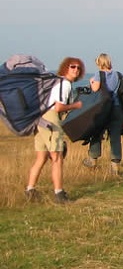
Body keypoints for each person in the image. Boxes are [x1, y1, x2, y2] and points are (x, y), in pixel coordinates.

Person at [25, 57, 85, 203]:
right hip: (51, 120)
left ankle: (30, 191)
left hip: (40, 119)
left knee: (41, 158)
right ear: (66, 68)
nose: (75, 70)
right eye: (72, 67)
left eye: (78, 68)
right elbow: (58, 107)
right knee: (57, 158)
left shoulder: (55, 82)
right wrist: (76, 106)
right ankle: (59, 195)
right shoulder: (64, 84)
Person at [82, 53, 123, 176]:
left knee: (96, 133)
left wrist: (91, 81)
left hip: (103, 109)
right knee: (115, 137)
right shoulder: (117, 75)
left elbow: (95, 89)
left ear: (100, 63)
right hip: (117, 108)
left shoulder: (98, 74)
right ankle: (115, 167)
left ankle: (92, 160)